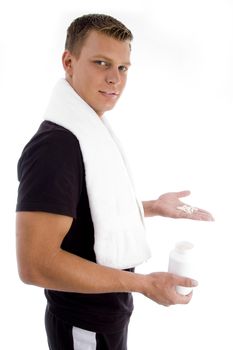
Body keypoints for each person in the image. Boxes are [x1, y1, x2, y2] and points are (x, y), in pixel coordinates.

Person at [16, 14, 213, 350]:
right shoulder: (56, 147)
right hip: (84, 325)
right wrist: (143, 284)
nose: (114, 79)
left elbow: (87, 208)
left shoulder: (86, 129)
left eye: (123, 68)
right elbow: (35, 263)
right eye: (101, 63)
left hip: (103, 318)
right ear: (69, 61)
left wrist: (151, 207)